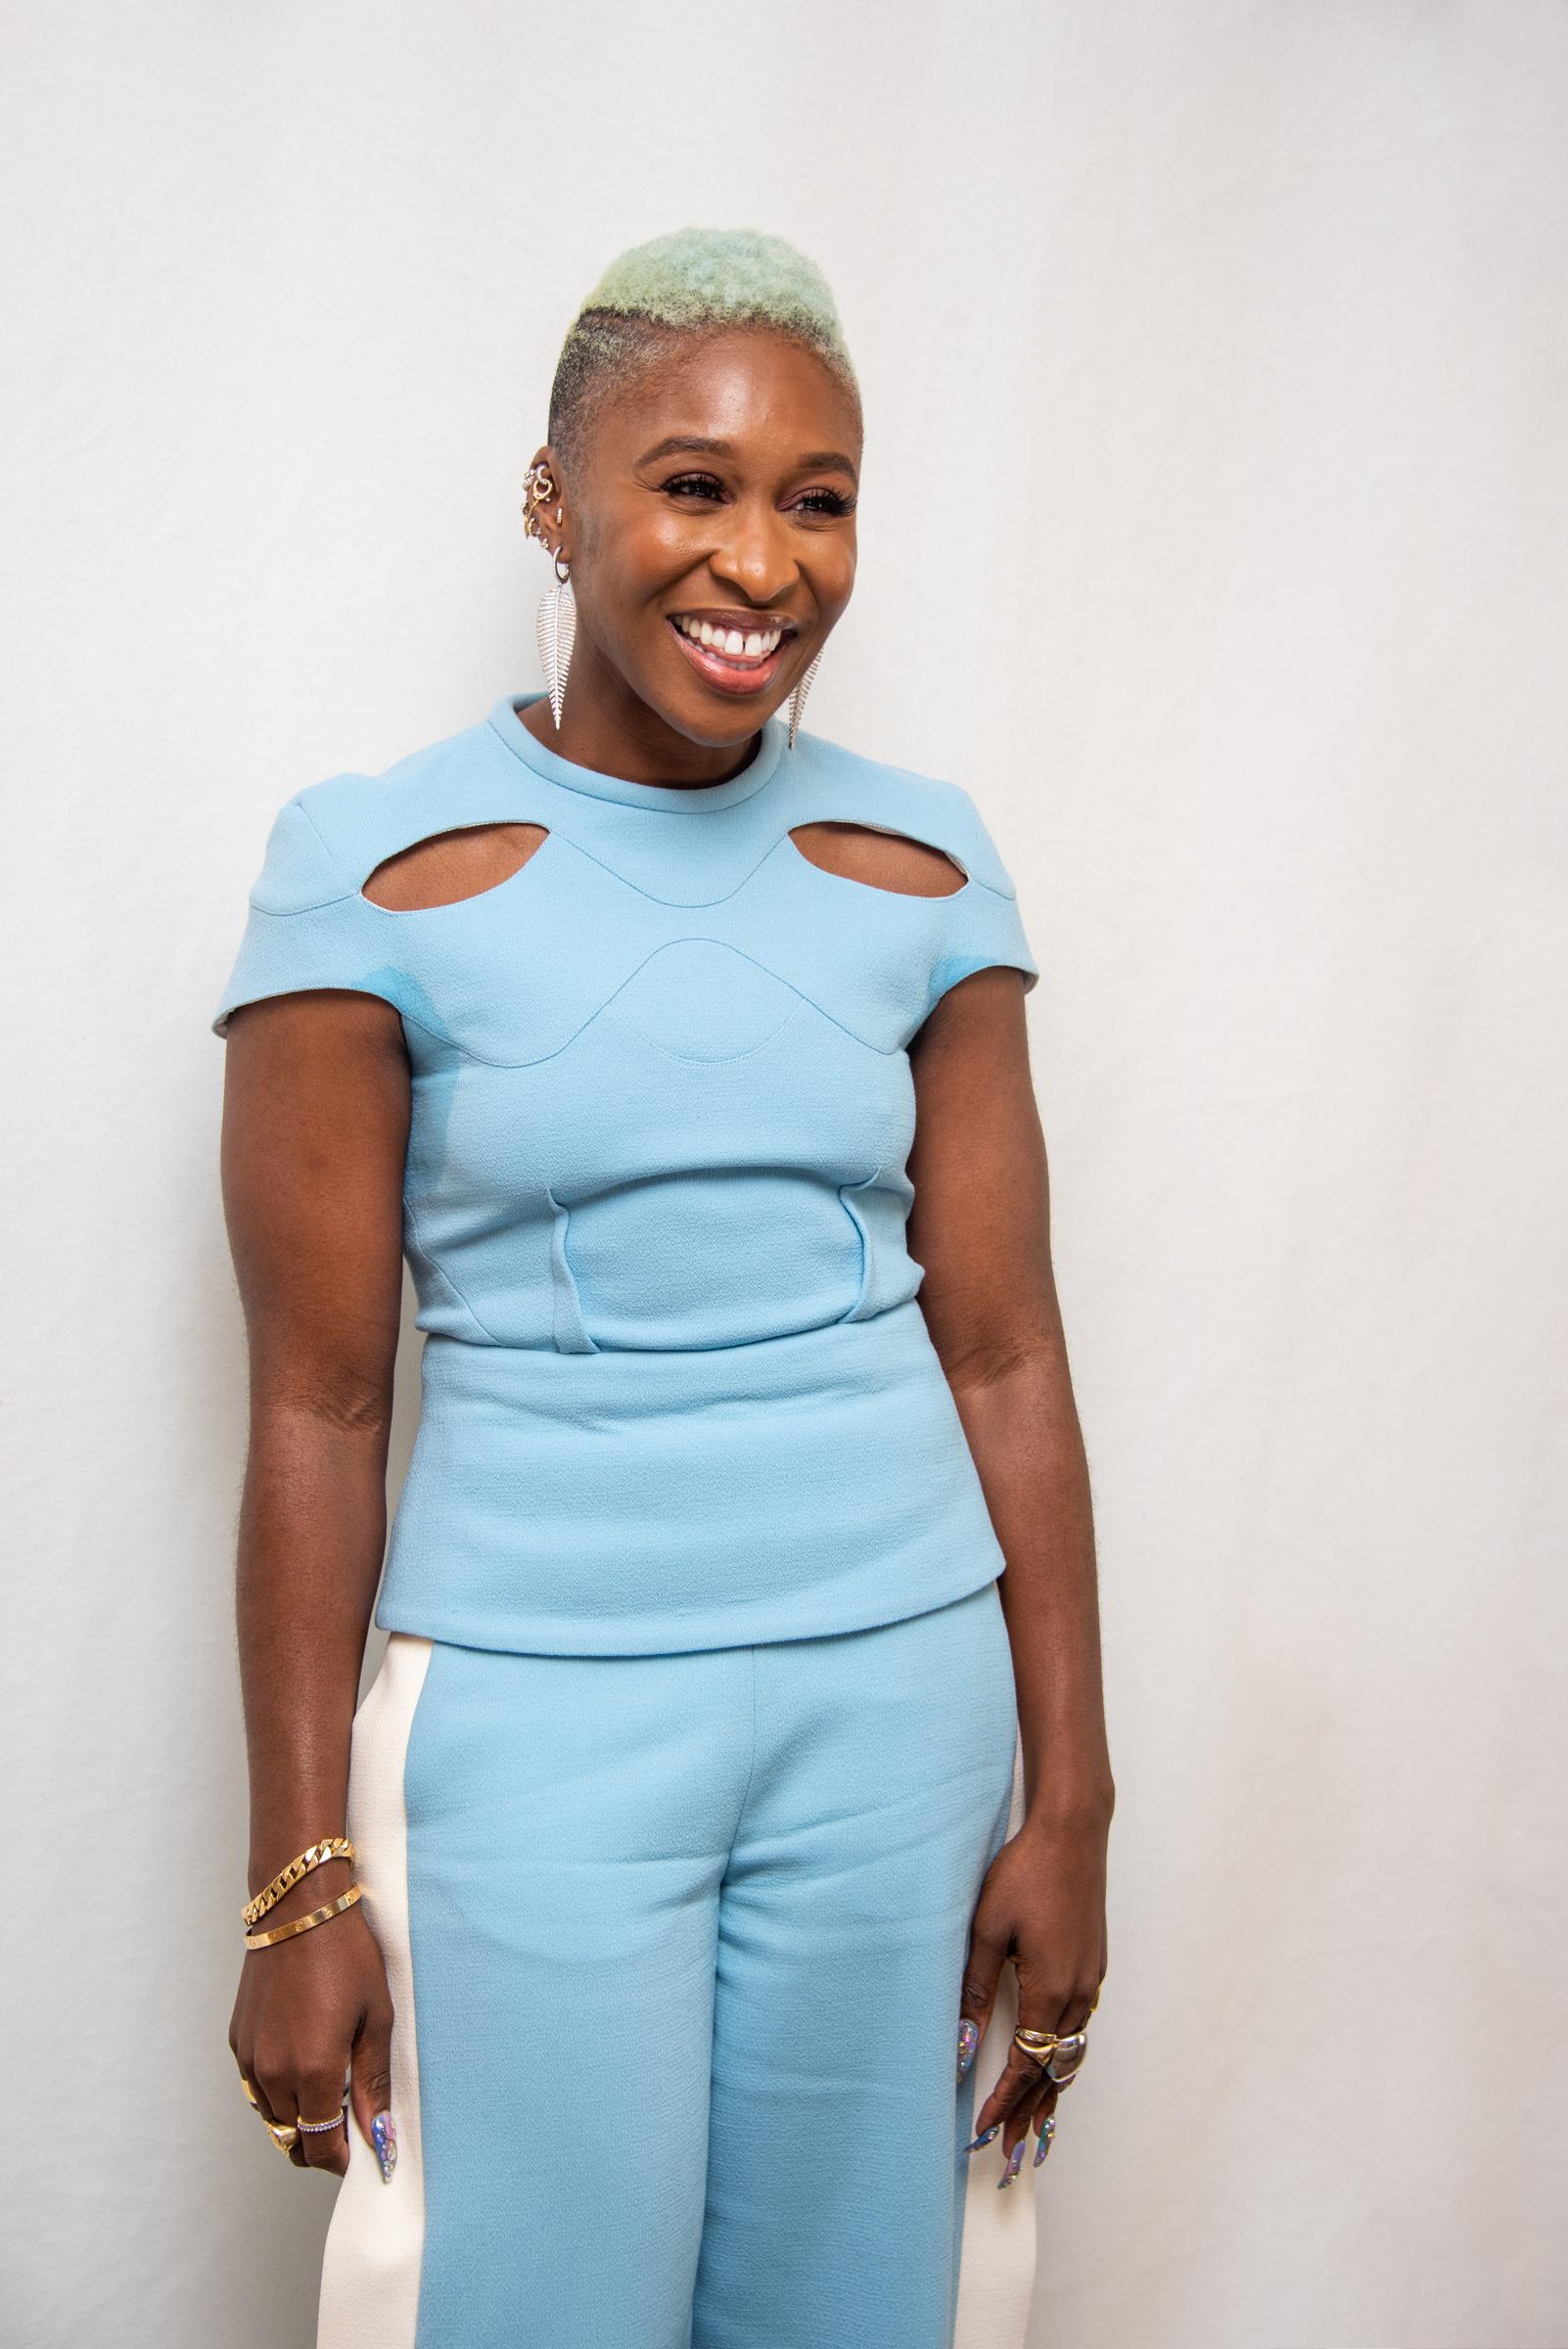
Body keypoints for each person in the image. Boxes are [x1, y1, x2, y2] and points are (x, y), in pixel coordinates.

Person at [215, 224, 1113, 2349]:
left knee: (864, 2307)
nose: (762, 564)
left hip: (901, 1709)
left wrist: (1075, 1800)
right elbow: (320, 1402)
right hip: (534, 1721)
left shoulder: (924, 862)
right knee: (526, 2303)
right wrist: (295, 1876)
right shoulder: (369, 867)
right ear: (555, 501)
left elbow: (1005, 1350)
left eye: (820, 499)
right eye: (693, 486)